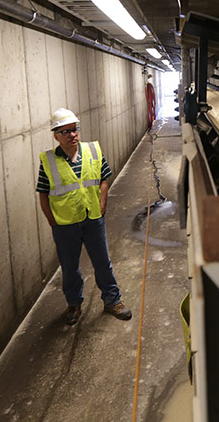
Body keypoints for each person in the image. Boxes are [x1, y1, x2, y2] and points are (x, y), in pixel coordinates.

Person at [36, 108, 132, 325]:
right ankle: (74, 304)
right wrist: (53, 222)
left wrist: (102, 204)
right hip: (65, 225)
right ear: (55, 136)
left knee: (102, 262)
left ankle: (112, 301)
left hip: (93, 220)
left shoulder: (93, 150)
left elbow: (104, 179)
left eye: (74, 129)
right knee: (69, 267)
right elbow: (43, 194)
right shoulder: (48, 161)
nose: (72, 135)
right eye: (65, 131)